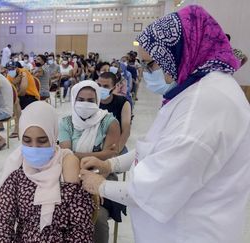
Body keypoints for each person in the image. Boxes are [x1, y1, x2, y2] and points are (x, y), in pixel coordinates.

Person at [80, 5, 250, 243]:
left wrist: (100, 185)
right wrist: (111, 165)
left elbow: (154, 190)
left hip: (190, 233)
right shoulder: (194, 90)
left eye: (151, 64)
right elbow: (158, 148)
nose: (147, 73)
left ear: (180, 53)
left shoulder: (204, 107)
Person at [0, 101, 94, 242]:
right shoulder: (16, 173)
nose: (34, 147)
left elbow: (81, 230)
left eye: (42, 141)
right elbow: (3, 226)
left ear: (53, 138)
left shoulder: (67, 168)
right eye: (27, 141)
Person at [58, 80, 121, 243]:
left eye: (91, 100)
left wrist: (75, 155)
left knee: (97, 217)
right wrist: (99, 154)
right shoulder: (66, 122)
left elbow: (110, 158)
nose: (85, 104)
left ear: (97, 101)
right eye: (81, 99)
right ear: (73, 100)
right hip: (69, 177)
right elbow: (66, 156)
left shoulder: (109, 122)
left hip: (104, 176)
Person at [98, 72, 132, 154]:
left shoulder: (123, 103)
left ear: (113, 87)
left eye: (106, 86)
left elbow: (126, 130)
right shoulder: (93, 101)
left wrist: (117, 150)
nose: (101, 88)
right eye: (99, 85)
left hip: (114, 144)